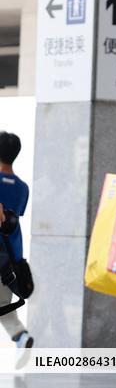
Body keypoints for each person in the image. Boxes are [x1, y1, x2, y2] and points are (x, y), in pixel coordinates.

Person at [0, 131, 31, 349]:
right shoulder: (22, 188)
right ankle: (20, 336)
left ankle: (20, 336)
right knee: (2, 303)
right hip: (10, 257)